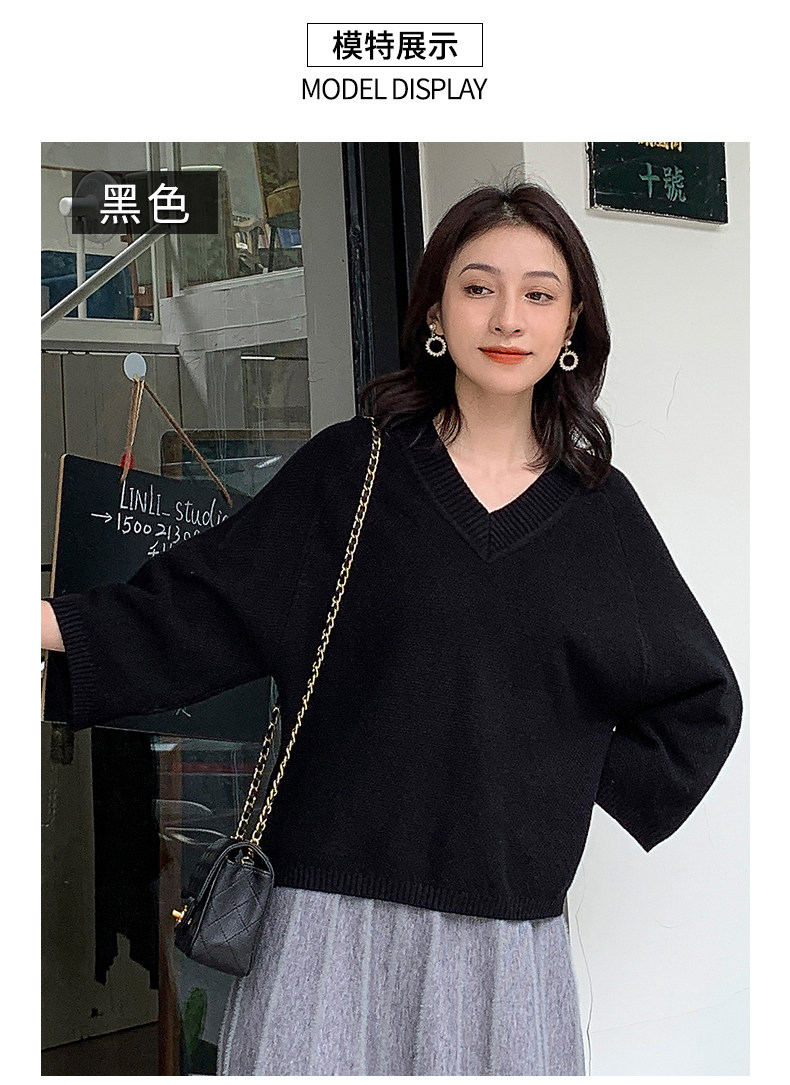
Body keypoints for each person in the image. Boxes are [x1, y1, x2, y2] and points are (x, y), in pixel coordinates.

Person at [41, 181, 743, 1076]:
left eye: (539, 294)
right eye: (479, 286)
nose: (508, 316)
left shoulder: (600, 515)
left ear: (572, 325)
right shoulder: (354, 470)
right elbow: (199, 606)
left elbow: (701, 699)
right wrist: (42, 625)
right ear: (437, 312)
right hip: (324, 928)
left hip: (504, 947)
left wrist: (550, 782)